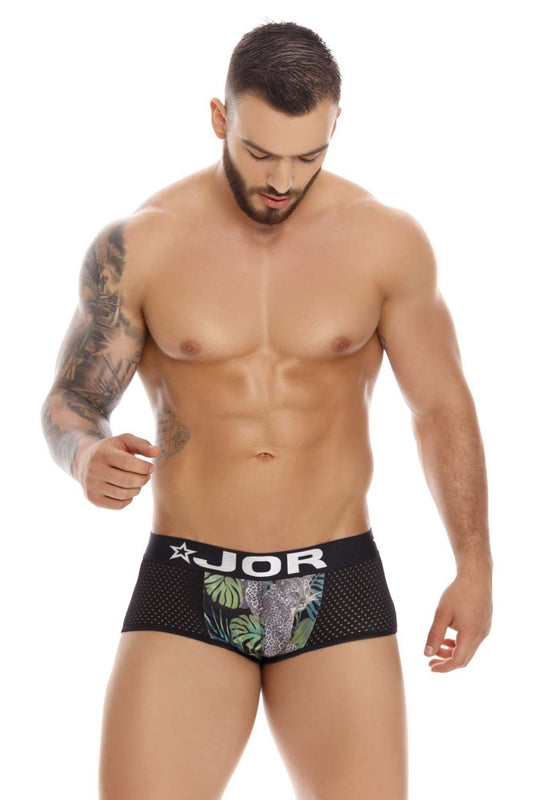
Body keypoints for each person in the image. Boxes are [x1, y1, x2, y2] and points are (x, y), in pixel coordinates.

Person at [41, 20, 493, 800]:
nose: (282, 179)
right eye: (259, 153)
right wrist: (85, 455)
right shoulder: (141, 245)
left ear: (335, 125)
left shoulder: (384, 242)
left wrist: (474, 566)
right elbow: (73, 399)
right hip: (188, 583)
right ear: (220, 117)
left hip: (335, 584)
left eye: (307, 156)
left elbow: (439, 406)